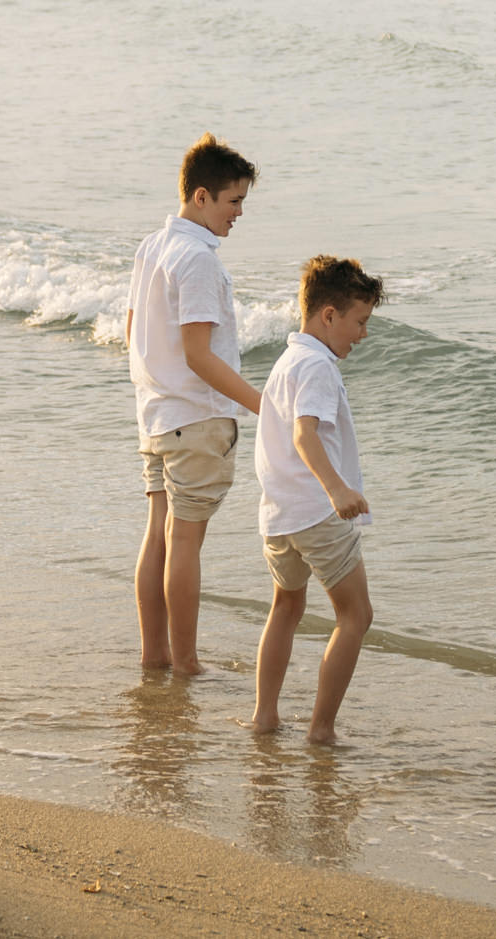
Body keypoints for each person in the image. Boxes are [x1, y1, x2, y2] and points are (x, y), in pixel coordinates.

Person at [126, 134, 262, 676]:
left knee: (157, 532)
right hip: (196, 417)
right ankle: (185, 663)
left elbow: (134, 331)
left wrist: (152, 391)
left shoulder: (151, 247)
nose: (239, 214)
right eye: (234, 202)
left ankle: (155, 654)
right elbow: (200, 355)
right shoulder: (198, 259)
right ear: (201, 197)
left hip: (156, 416)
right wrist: (264, 402)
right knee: (184, 542)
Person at [248, 254, 383, 744]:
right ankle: (321, 730)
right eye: (360, 322)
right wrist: (338, 489)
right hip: (315, 513)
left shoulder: (287, 361)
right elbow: (305, 435)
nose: (363, 334)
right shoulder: (318, 367)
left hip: (278, 516)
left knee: (286, 606)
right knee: (357, 616)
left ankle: (265, 717)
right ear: (329, 315)